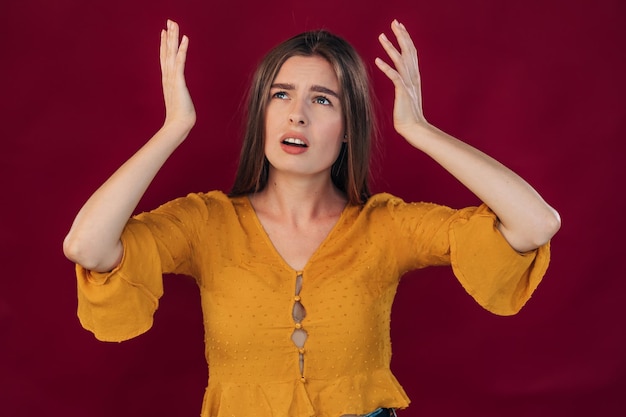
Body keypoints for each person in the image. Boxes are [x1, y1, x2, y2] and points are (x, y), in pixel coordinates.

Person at [63, 19, 561, 417]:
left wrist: (420, 129)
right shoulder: (205, 222)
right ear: (262, 111)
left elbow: (535, 224)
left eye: (322, 100)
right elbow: (87, 246)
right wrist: (173, 129)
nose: (296, 114)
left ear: (349, 129)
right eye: (281, 94)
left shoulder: (385, 227)